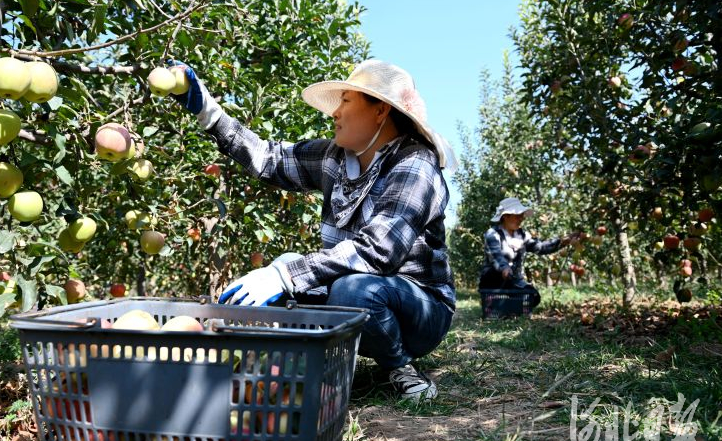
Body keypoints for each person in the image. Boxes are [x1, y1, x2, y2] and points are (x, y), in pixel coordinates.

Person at [169, 59, 457, 401]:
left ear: (380, 111)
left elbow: (379, 250)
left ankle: (399, 365)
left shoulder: (415, 163)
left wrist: (285, 275)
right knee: (293, 276)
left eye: (346, 101)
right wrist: (210, 114)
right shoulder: (335, 158)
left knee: (351, 291)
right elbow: (269, 159)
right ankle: (294, 367)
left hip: (418, 310)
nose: (335, 112)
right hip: (352, 296)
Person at [479, 197, 580, 308]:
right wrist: (504, 267)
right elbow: (496, 254)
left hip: (514, 281)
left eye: (521, 215)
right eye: (518, 216)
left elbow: (541, 247)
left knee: (534, 296)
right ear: (505, 216)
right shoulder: (493, 234)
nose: (521, 219)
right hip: (494, 281)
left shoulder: (522, 235)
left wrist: (561, 242)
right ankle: (498, 304)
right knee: (494, 278)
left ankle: (508, 307)